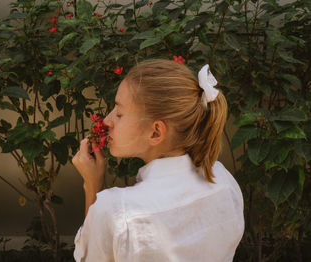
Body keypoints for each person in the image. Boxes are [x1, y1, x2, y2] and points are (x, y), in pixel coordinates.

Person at [72, 59, 245, 262]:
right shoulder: (224, 182)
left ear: (156, 132)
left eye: (119, 113)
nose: (107, 121)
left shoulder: (117, 212)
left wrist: (92, 186)